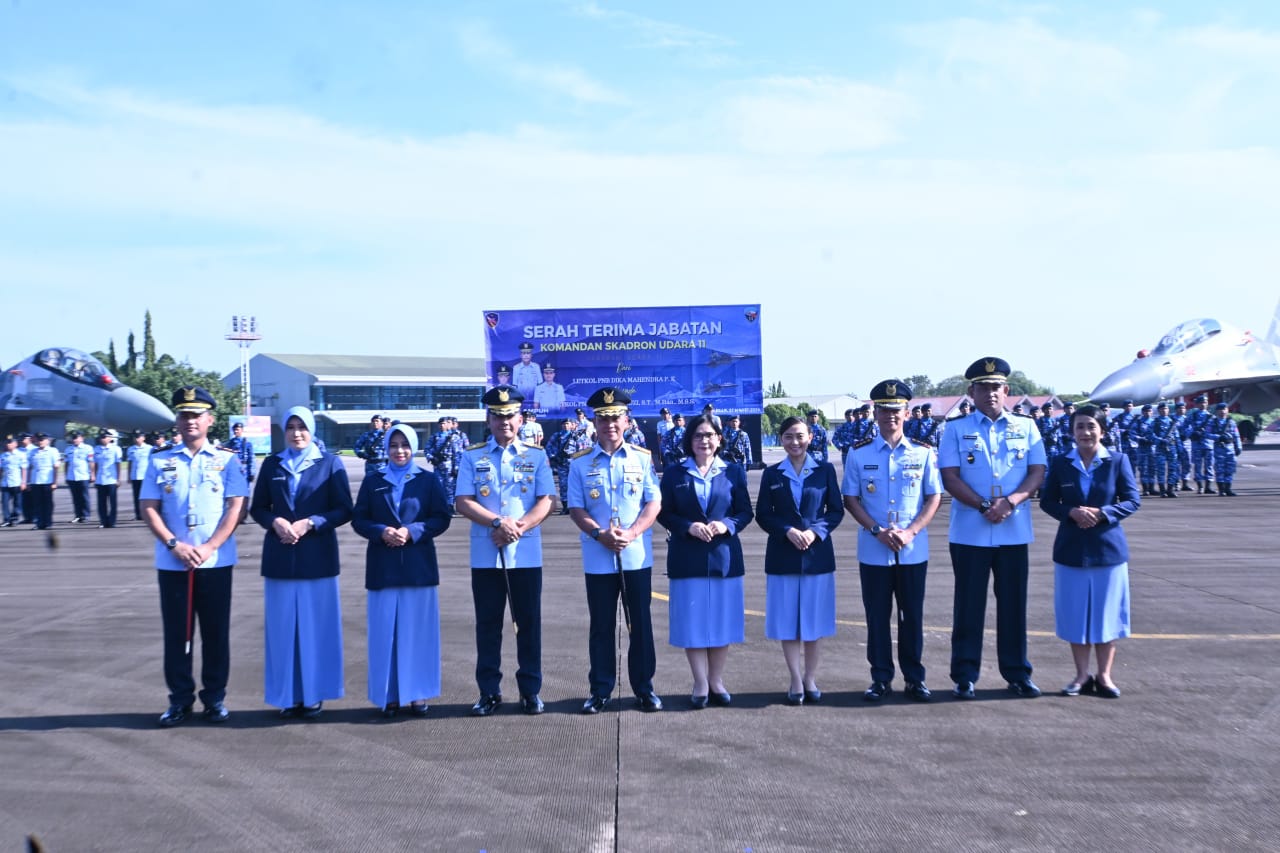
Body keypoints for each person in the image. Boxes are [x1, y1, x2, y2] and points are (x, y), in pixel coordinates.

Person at [140, 386, 249, 726]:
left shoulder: (227, 460)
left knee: (215, 634)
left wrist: (209, 546)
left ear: (210, 420)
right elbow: (148, 507)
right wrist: (174, 544)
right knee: (177, 635)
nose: (191, 421)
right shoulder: (159, 460)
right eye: (185, 415)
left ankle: (214, 698)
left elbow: (236, 508)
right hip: (174, 562)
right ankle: (179, 700)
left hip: (214, 561)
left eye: (197, 415)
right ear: (177, 421)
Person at [938, 357, 1046, 700]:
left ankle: (1017, 673)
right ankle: (964, 676)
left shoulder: (1026, 427)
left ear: (1006, 390)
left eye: (996, 387)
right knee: (968, 607)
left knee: (1013, 606)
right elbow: (950, 477)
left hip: (1013, 530)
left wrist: (1010, 502)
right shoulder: (955, 429)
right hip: (971, 530)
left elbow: (1037, 471)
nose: (990, 393)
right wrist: (984, 505)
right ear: (971, 392)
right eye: (983, 388)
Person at [455, 386, 555, 717]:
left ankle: (530, 691)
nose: (504, 422)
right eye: (497, 416)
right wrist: (498, 522)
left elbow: (548, 500)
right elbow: (463, 501)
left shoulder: (536, 456)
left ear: (521, 418)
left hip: (525, 554)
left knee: (529, 625)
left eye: (510, 415)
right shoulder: (472, 456)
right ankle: (488, 692)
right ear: (488, 419)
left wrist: (518, 528)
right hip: (486, 554)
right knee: (488, 626)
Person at [249, 406, 353, 719]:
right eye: (291, 427)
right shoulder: (272, 464)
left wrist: (312, 523)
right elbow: (258, 508)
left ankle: (313, 695)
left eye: (302, 427)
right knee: (282, 632)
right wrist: (275, 521)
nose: (297, 433)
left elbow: (344, 509)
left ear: (312, 430)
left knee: (316, 631)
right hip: (280, 557)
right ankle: (288, 695)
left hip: (317, 558)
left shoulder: (329, 463)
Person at [842, 380, 942, 702]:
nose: (890, 416)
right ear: (875, 413)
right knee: (877, 617)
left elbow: (934, 497)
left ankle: (915, 678)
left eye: (896, 410)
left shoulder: (923, 453)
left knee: (911, 616)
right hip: (874, 549)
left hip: (912, 550)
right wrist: (877, 531)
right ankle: (880, 678)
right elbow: (851, 499)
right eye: (884, 410)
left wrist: (910, 532)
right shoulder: (858, 454)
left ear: (907, 413)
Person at [568, 387, 663, 714]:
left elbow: (653, 502)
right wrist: (598, 534)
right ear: (594, 423)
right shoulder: (579, 463)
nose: (610, 424)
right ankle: (600, 690)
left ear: (626, 420)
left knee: (640, 625)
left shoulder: (642, 457)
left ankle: (644, 688)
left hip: (635, 556)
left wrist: (633, 533)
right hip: (599, 556)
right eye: (603, 419)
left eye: (615, 418)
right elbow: (576, 508)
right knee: (601, 626)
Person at [352, 422, 452, 717]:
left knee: (417, 634)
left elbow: (441, 517)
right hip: (383, 567)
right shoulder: (373, 480)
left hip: (418, 567)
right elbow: (359, 519)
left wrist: (412, 531)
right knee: (385, 634)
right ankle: (390, 694)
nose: (399, 451)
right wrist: (381, 531)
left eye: (405, 445)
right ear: (386, 448)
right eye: (394, 445)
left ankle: (418, 694)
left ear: (414, 447)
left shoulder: (428, 480)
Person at [1039, 405, 1139, 698]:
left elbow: (1132, 500)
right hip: (1071, 549)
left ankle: (1104, 676)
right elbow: (1047, 501)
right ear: (1072, 432)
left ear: (1102, 431)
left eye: (1091, 426)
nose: (1085, 432)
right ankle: (1082, 676)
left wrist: (1103, 513)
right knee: (1075, 615)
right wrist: (1070, 512)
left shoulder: (1117, 461)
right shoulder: (1060, 463)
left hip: (1107, 549)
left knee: (1107, 615)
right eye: (1079, 426)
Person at [657, 414, 754, 709]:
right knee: (693, 623)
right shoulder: (674, 473)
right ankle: (700, 682)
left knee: (721, 622)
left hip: (724, 558)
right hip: (687, 557)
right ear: (690, 440)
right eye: (698, 435)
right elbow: (664, 512)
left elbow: (745, 512)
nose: (704, 440)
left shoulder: (733, 471)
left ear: (719, 439)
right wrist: (687, 526)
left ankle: (716, 680)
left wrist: (726, 524)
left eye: (709, 435)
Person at [755, 415, 844, 705]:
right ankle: (795, 678)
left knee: (813, 624)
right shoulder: (772, 474)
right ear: (781, 440)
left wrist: (815, 532)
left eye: (800, 436)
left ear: (811, 438)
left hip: (817, 556)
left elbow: (835, 511)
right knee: (788, 623)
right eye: (788, 437)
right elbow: (763, 514)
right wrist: (787, 531)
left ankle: (810, 678)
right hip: (783, 555)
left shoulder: (825, 470)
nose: (795, 442)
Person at [544, 415, 580, 514]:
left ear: (572, 425)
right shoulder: (557, 436)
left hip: (574, 464)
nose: (565, 426)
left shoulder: (576, 436)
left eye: (567, 424)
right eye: (564, 424)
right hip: (562, 463)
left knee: (576, 485)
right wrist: (553, 456)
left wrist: (576, 457)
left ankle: (576, 506)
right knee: (563, 485)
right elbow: (549, 447)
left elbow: (584, 448)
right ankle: (565, 506)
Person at [1207, 403, 1243, 496]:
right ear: (1217, 411)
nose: (1223, 411)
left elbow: (1236, 435)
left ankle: (1228, 489)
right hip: (1219, 448)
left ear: (1227, 410)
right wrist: (1218, 437)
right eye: (1221, 409)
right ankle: (1221, 490)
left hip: (1230, 449)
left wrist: (1239, 447)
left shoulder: (1231, 422)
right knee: (1220, 470)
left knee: (1230, 469)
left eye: (1225, 409)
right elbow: (1207, 434)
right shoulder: (1212, 422)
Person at [90, 430, 123, 528]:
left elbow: (118, 465)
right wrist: (94, 476)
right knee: (101, 503)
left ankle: (112, 522)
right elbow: (95, 464)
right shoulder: (96, 449)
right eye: (101, 437)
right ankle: (103, 522)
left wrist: (118, 479)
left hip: (111, 479)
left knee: (113, 503)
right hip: (100, 479)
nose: (102, 439)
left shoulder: (116, 449)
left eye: (104, 437)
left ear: (110, 438)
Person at [27, 433, 59, 530]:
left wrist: (55, 482)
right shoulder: (32, 452)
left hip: (47, 481)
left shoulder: (53, 451)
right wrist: (28, 482)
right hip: (35, 481)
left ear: (47, 441)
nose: (40, 442)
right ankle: (39, 523)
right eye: (39, 440)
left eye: (42, 440)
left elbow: (56, 467)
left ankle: (48, 523)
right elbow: (30, 467)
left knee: (48, 503)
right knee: (37, 503)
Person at [1185, 395, 1216, 493]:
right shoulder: (1193, 415)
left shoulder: (1211, 417)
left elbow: (1216, 430)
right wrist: (1191, 434)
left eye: (1205, 402)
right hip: (1197, 445)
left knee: (1209, 466)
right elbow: (1184, 427)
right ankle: (1200, 486)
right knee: (1198, 466)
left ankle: (1208, 487)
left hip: (1208, 445)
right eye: (1201, 403)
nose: (1203, 404)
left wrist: (1210, 436)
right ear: (1197, 404)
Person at [63, 431, 93, 523]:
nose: (74, 439)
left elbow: (91, 462)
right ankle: (78, 515)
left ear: (82, 438)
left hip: (83, 476)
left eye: (76, 438)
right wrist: (66, 476)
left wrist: (92, 474)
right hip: (72, 476)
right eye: (73, 438)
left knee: (84, 497)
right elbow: (66, 463)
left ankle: (85, 515)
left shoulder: (88, 448)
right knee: (75, 497)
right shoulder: (68, 449)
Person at [125, 430, 153, 520]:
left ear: (143, 438)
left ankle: (146, 514)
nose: (136, 439)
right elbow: (130, 463)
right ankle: (138, 514)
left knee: (146, 496)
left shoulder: (149, 448)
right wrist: (129, 476)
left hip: (145, 476)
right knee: (136, 496)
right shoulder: (131, 449)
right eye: (135, 437)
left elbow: (151, 462)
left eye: (138, 437)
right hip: (135, 476)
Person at [1, 434, 28, 526]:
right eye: (7, 443)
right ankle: (6, 519)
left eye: (10, 443)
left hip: (17, 482)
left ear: (15, 444)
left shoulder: (21, 455)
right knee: (4, 502)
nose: (8, 444)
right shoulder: (3, 456)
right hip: (5, 483)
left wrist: (24, 482)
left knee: (17, 502)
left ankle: (15, 518)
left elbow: (24, 469)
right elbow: (1, 469)